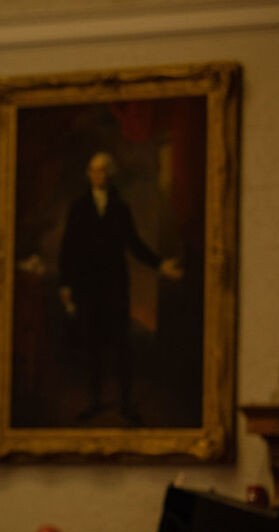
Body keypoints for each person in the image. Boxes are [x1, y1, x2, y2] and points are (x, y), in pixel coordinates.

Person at [58, 152, 183, 425]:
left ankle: (126, 404)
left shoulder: (120, 208)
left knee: (121, 345)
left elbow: (134, 243)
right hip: (87, 286)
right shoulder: (79, 207)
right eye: (93, 170)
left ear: (110, 174)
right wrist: (66, 284)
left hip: (114, 285)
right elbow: (68, 247)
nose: (97, 175)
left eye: (102, 171)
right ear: (88, 174)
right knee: (92, 345)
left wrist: (160, 265)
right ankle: (94, 402)